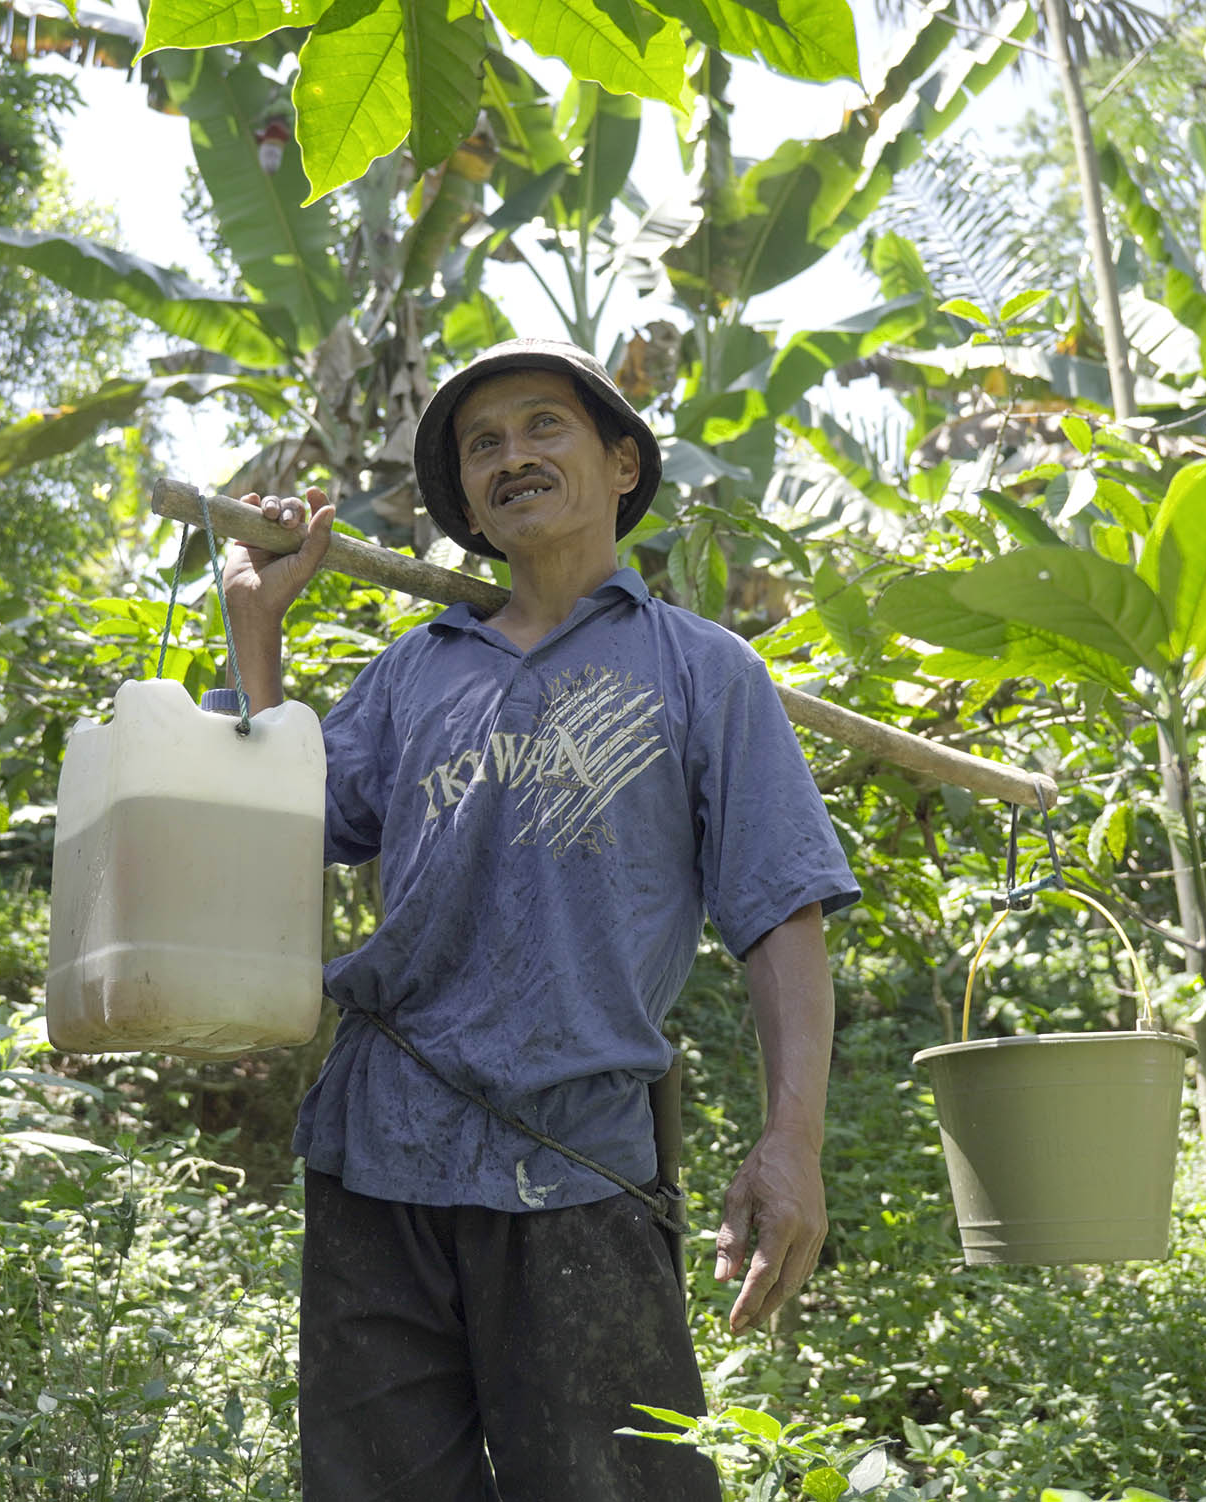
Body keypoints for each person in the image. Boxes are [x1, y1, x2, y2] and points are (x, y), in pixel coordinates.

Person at [213, 339, 859, 1500]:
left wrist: (791, 1140)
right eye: (481, 444)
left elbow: (780, 913)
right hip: (378, 1155)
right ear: (463, 498)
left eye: (541, 427)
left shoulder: (701, 671)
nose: (511, 456)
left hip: (574, 1166)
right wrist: (256, 631)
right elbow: (280, 819)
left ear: (621, 463)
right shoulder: (414, 672)